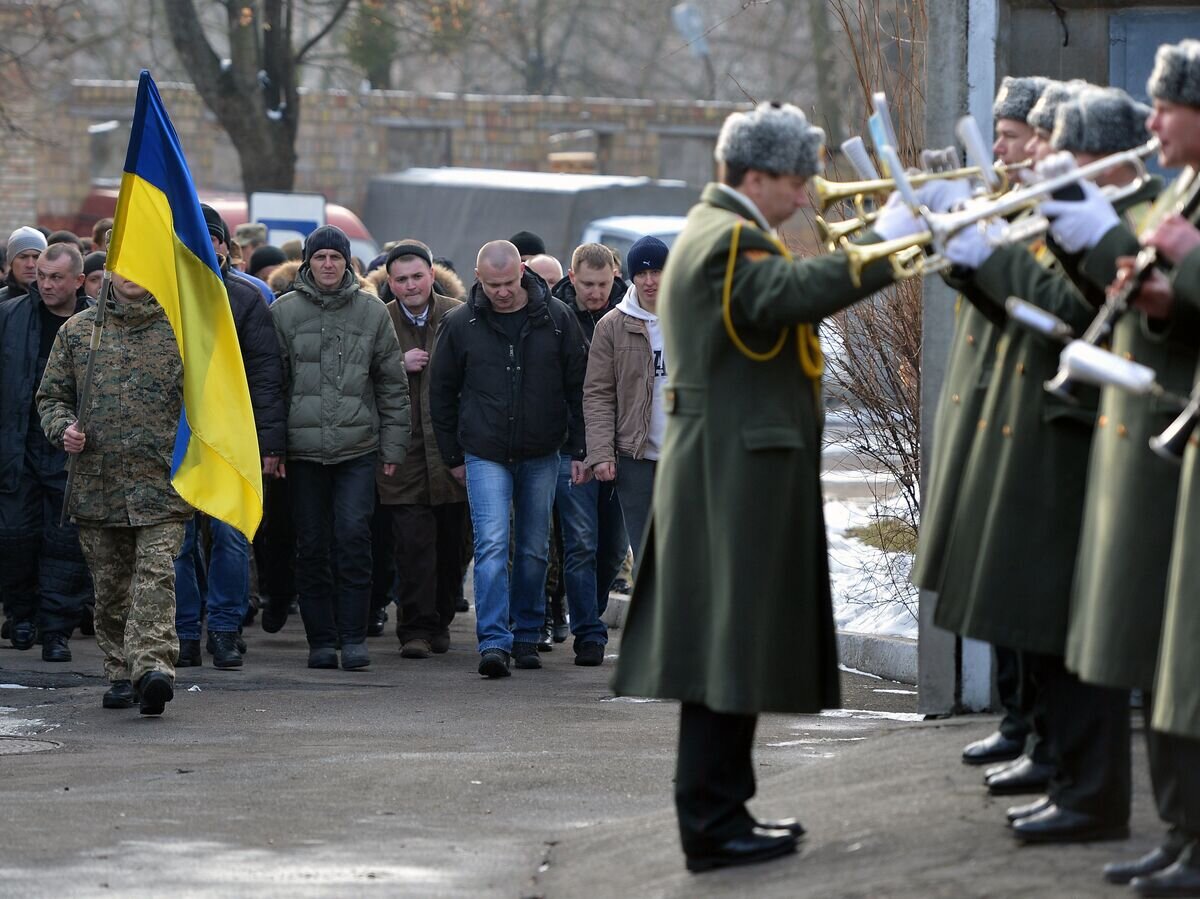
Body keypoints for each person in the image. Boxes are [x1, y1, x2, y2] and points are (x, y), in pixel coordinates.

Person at [611, 101, 911, 872]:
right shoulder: (731, 240)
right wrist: (895, 233)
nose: (808, 193)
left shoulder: (721, 231)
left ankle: (725, 808)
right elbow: (795, 295)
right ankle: (711, 823)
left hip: (728, 464)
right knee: (724, 649)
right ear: (755, 175)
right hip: (732, 471)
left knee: (727, 647)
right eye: (797, 177)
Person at [1045, 39, 1200, 894]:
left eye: (1167, 107)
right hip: (1166, 439)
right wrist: (1155, 298)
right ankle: (1183, 828)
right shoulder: (1183, 190)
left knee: (1187, 659)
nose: (1153, 122)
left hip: (1179, 447)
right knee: (1171, 661)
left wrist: (1187, 264)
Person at [913, 76, 1050, 772]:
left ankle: (1030, 720)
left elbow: (1034, 303)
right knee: (994, 576)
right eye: (996, 133)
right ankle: (1014, 711)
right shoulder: (1005, 201)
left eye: (1012, 134)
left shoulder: (1047, 210)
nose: (999, 146)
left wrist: (984, 251)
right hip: (983, 399)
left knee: (1018, 578)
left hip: (1022, 406)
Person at [430, 240, 588, 678]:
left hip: (542, 450)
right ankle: (495, 641)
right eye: (492, 284)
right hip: (484, 451)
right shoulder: (461, 324)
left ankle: (526, 633)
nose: (502, 292)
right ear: (477, 278)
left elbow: (578, 385)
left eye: (509, 282)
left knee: (535, 547)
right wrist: (453, 455)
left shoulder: (556, 319)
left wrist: (578, 447)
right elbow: (440, 392)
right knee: (493, 544)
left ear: (522, 270)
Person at [37, 272, 192, 716]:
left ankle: (153, 669)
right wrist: (62, 428)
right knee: (110, 589)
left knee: (155, 576)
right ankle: (121, 671)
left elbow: (210, 400)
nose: (132, 277)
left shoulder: (179, 330)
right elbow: (51, 396)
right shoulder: (79, 330)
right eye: (123, 267)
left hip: (162, 483)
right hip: (97, 485)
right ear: (107, 273)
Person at [271, 225, 410, 671]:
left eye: (335, 257)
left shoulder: (372, 312)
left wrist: (392, 448)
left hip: (357, 447)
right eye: (319, 258)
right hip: (303, 451)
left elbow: (392, 384)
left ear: (347, 263)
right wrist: (272, 446)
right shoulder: (285, 312)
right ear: (308, 264)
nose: (327, 265)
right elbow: (272, 385)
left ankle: (353, 637)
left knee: (353, 537)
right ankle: (321, 640)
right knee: (311, 543)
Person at [172, 206, 285, 670]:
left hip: (232, 438)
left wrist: (269, 443)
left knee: (231, 537)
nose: (206, 245)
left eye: (212, 237)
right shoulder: (163, 295)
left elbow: (265, 375)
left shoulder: (246, 298)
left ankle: (222, 629)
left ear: (224, 245)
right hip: (176, 436)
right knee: (177, 542)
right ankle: (184, 632)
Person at [0, 244, 93, 658]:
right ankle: (21, 617)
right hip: (17, 445)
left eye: (56, 277)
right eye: (41, 275)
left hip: (72, 450)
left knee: (65, 544)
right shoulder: (11, 317)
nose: (47, 284)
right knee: (14, 536)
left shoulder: (96, 324)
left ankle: (56, 631)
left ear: (78, 280)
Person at [375, 240, 467, 659]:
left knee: (453, 544)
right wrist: (397, 362)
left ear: (432, 274)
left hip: (454, 450)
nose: (410, 286)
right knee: (412, 547)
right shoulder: (379, 319)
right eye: (401, 279)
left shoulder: (459, 315)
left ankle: (441, 620)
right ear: (390, 283)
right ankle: (413, 629)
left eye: (417, 276)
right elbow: (354, 373)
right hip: (403, 451)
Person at [549, 243, 630, 666]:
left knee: (614, 547)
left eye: (604, 283)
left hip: (622, 446)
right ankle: (588, 632)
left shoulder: (633, 314)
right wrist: (579, 448)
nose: (596, 292)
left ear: (616, 275)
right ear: (572, 276)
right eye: (588, 284)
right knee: (581, 542)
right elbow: (558, 391)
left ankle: (587, 611)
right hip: (571, 450)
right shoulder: (555, 317)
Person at [584, 236, 670, 567]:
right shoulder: (613, 326)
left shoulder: (693, 316)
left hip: (687, 454)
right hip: (636, 456)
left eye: (657, 272)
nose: (649, 281)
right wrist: (602, 453)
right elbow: (598, 393)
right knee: (646, 551)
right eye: (642, 274)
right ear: (631, 277)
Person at [0, 226, 47, 303]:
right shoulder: (2, 304)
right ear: (11, 262)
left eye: (36, 257)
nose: (30, 265)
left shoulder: (58, 302)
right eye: (23, 257)